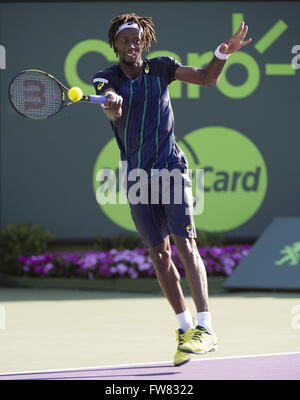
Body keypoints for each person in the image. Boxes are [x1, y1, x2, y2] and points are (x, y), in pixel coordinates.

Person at [92, 13, 252, 366]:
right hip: (136, 177)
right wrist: (113, 104)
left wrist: (222, 54)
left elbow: (208, 79)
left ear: (144, 42)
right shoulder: (106, 77)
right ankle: (184, 329)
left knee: (184, 242)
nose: (132, 45)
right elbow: (110, 101)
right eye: (125, 40)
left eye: (137, 39)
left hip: (171, 169)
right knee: (159, 255)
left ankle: (206, 327)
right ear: (116, 43)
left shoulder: (162, 68)